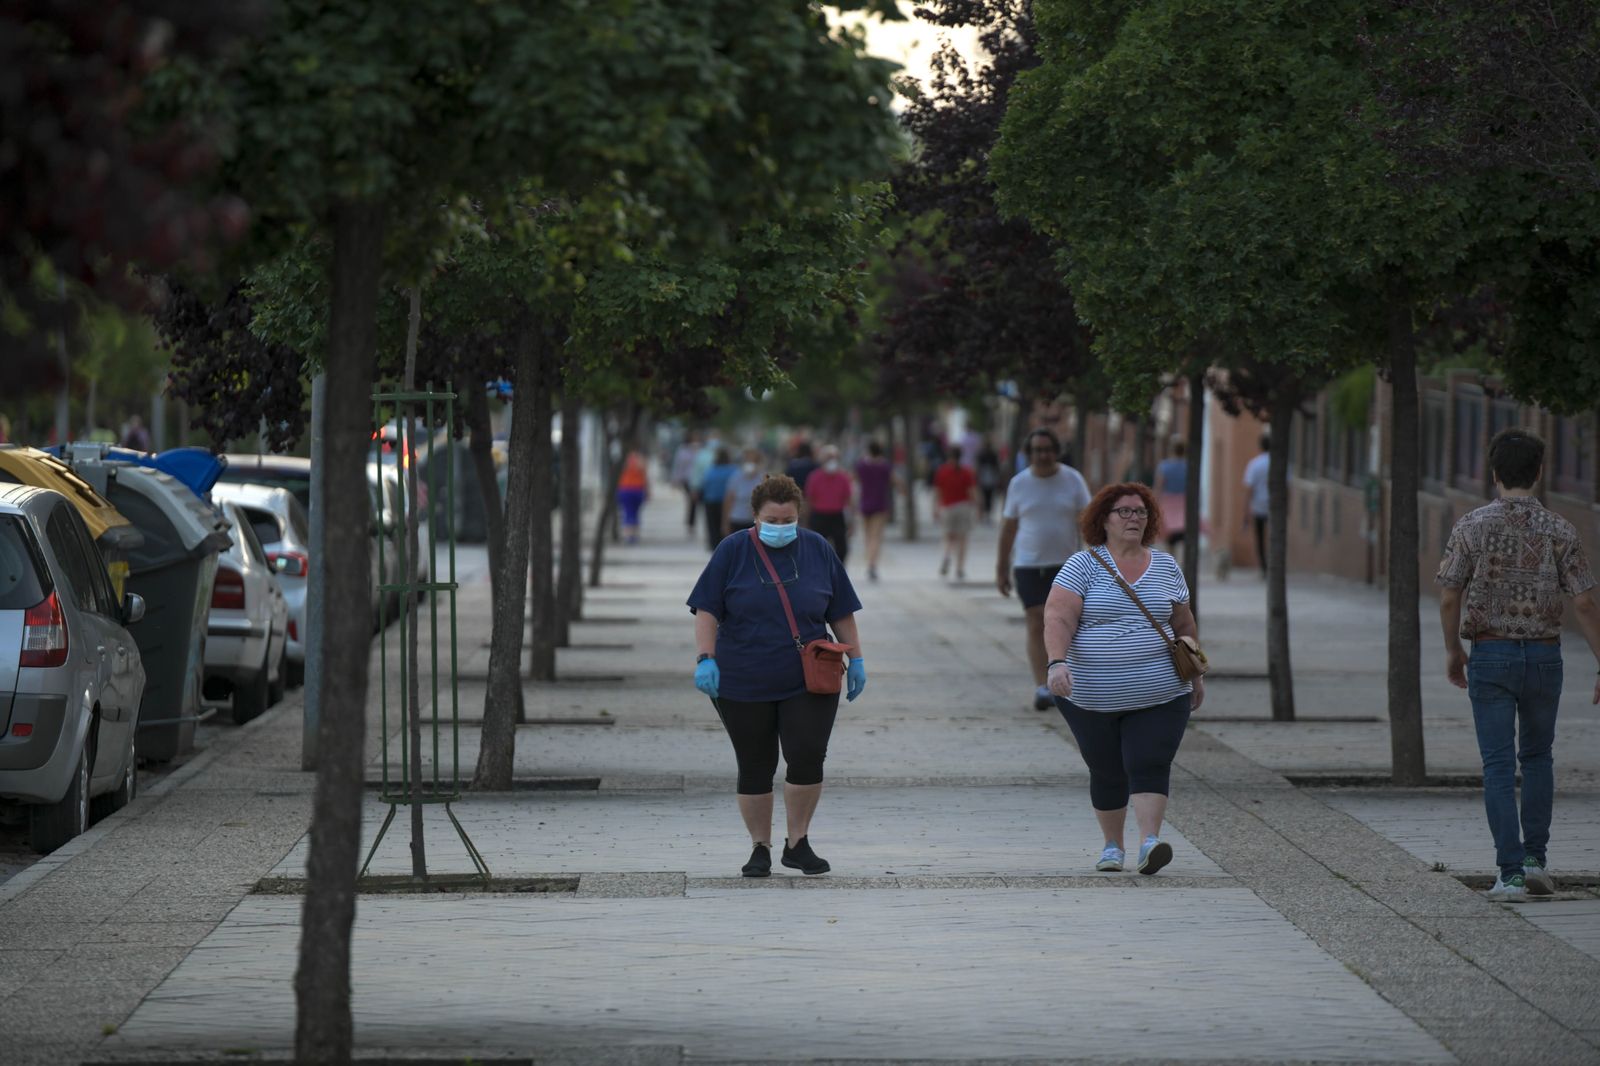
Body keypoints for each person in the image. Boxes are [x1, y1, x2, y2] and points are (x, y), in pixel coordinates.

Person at [1436, 428, 1600, 901]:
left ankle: (1508, 872)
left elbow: (1450, 595)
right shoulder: (1561, 530)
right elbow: (1586, 603)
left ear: (1493, 473)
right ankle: (1536, 859)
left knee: (1498, 764)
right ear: (1540, 473)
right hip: (1546, 657)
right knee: (1538, 757)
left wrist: (1453, 650)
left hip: (1490, 654)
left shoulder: (1470, 527)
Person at [688, 474, 866, 878]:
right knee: (755, 762)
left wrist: (855, 659)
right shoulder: (732, 551)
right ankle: (760, 846)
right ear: (754, 516)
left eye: (789, 520)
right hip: (742, 677)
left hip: (808, 676)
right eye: (772, 519)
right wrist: (705, 658)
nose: (781, 527)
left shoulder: (818, 549)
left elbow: (840, 610)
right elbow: (707, 610)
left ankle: (798, 842)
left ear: (799, 516)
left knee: (806, 753)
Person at [1043, 481, 1203, 876]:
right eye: (1125, 512)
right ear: (1104, 519)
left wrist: (1195, 677)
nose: (1134, 518)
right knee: (1107, 768)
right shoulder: (1081, 565)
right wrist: (1056, 662)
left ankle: (1150, 842)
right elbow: (1058, 617)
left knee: (1150, 760)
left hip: (1163, 691)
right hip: (1089, 696)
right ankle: (1113, 846)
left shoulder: (1166, 566)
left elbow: (1183, 623)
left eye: (1141, 512)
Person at [996, 428, 1093, 710]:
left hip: (1066, 565)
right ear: (1029, 454)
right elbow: (1009, 527)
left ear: (1057, 451)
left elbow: (1086, 521)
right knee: (1036, 620)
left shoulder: (1072, 480)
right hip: (1028, 565)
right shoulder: (1019, 484)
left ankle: (1067, 679)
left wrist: (1096, 557)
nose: (1042, 455)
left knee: (1067, 625)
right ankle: (1042, 685)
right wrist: (1001, 567)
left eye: (1047, 449)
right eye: (1037, 450)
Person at [932, 446, 978, 579]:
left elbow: (937, 492)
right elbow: (972, 491)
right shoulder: (966, 472)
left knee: (948, 537)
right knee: (962, 539)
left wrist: (935, 508)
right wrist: (977, 506)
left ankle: (946, 555)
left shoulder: (942, 471)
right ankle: (959, 568)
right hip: (963, 507)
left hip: (947, 507)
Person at [803, 445, 854, 564]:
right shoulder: (814, 477)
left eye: (834, 458)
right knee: (817, 546)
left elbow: (849, 500)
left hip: (837, 515)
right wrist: (806, 520)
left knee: (842, 547)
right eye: (829, 458)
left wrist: (851, 522)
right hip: (819, 516)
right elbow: (809, 499)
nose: (832, 461)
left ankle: (839, 570)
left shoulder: (843, 477)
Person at [855, 440, 895, 581]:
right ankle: (872, 565)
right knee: (876, 537)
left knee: (867, 536)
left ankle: (869, 561)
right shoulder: (885, 466)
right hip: (880, 504)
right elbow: (892, 481)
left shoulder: (862, 466)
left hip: (865, 504)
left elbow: (856, 480)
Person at [699, 447, 739, 551]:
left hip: (711, 500)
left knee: (712, 525)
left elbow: (705, 483)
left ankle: (713, 545)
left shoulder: (711, 469)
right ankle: (724, 545)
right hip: (726, 502)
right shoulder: (733, 470)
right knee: (725, 524)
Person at [1242, 433, 1270, 577]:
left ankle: (1263, 567)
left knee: (1259, 537)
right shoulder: (1280, 463)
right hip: (1274, 507)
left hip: (1258, 506)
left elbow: (1249, 489)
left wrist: (1246, 511)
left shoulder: (1254, 464)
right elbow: (1287, 487)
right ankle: (1272, 564)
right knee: (1272, 537)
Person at [722, 448, 766, 536]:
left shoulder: (762, 478)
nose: (750, 463)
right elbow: (728, 500)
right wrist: (725, 523)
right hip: (737, 519)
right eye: (748, 460)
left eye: (753, 461)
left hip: (755, 522)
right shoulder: (735, 477)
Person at [1154, 440, 1188, 551]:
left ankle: (1172, 563)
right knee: (1183, 533)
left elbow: (1159, 486)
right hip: (1184, 503)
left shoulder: (1164, 466)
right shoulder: (1188, 466)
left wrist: (1154, 503)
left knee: (1169, 537)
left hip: (1168, 504)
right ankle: (1183, 564)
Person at [616, 450, 650, 544]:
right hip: (637, 489)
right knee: (635, 513)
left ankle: (628, 535)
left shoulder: (623, 460)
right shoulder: (641, 460)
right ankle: (634, 534)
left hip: (625, 489)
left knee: (628, 512)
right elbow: (645, 477)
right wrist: (647, 491)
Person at [670, 431, 701, 535]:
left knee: (694, 502)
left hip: (698, 479)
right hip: (686, 479)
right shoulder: (682, 450)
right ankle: (690, 523)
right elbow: (678, 464)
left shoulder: (700, 450)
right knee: (692, 500)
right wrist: (675, 478)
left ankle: (691, 521)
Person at [784, 442, 820, 522]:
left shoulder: (793, 464)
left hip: (796, 495)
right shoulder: (814, 465)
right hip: (810, 496)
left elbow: (787, 479)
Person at [975, 439, 1002, 522]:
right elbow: (997, 467)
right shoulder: (993, 454)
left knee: (984, 496)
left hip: (984, 477)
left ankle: (983, 514)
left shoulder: (981, 454)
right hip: (990, 477)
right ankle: (987, 514)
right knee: (989, 496)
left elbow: (978, 467)